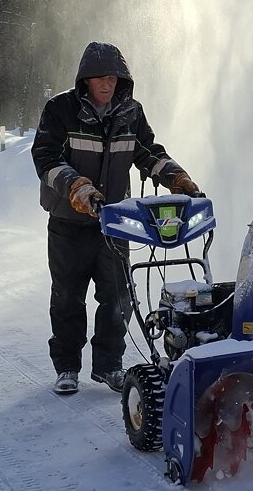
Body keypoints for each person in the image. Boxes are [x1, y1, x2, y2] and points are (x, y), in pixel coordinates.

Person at [32, 42, 199, 395]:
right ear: (85, 80)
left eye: (113, 78)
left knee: (118, 297)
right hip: (68, 223)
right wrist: (76, 186)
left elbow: (149, 152)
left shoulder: (130, 113)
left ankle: (109, 366)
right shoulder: (60, 110)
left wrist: (176, 177)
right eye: (100, 78)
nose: (107, 84)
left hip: (115, 222)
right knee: (67, 297)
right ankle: (67, 366)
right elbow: (46, 159)